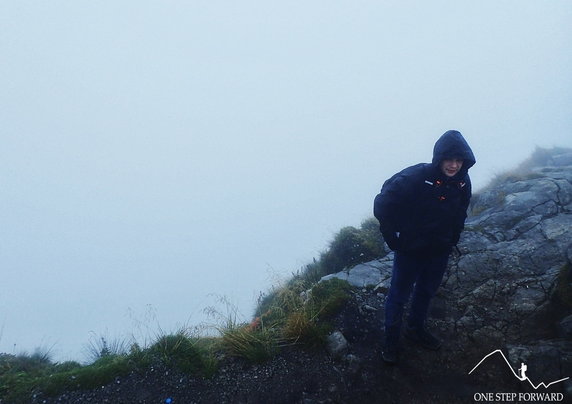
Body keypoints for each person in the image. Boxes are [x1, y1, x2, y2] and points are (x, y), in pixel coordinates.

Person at [373, 130, 476, 364]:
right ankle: (391, 340)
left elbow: (461, 210)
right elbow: (382, 203)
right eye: (449, 159)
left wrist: (453, 237)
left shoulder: (462, 181)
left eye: (459, 160)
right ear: (439, 158)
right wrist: (391, 237)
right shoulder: (416, 177)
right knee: (399, 295)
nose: (453, 165)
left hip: (439, 250)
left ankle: (415, 329)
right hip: (410, 250)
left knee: (426, 291)